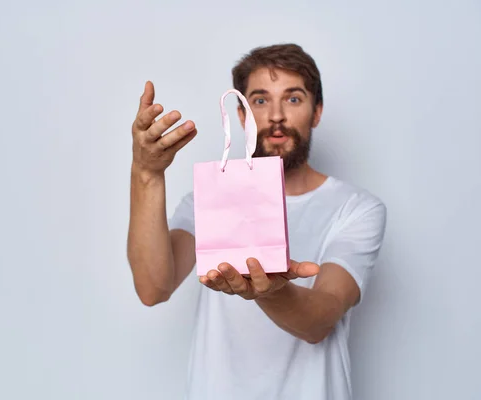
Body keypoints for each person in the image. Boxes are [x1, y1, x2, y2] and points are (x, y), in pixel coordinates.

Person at [127, 43, 387, 400]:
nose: (276, 115)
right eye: (261, 100)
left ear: (317, 111)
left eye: (293, 99)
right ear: (242, 115)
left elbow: (319, 320)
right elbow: (153, 287)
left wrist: (270, 291)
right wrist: (147, 174)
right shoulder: (207, 202)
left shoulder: (355, 208)